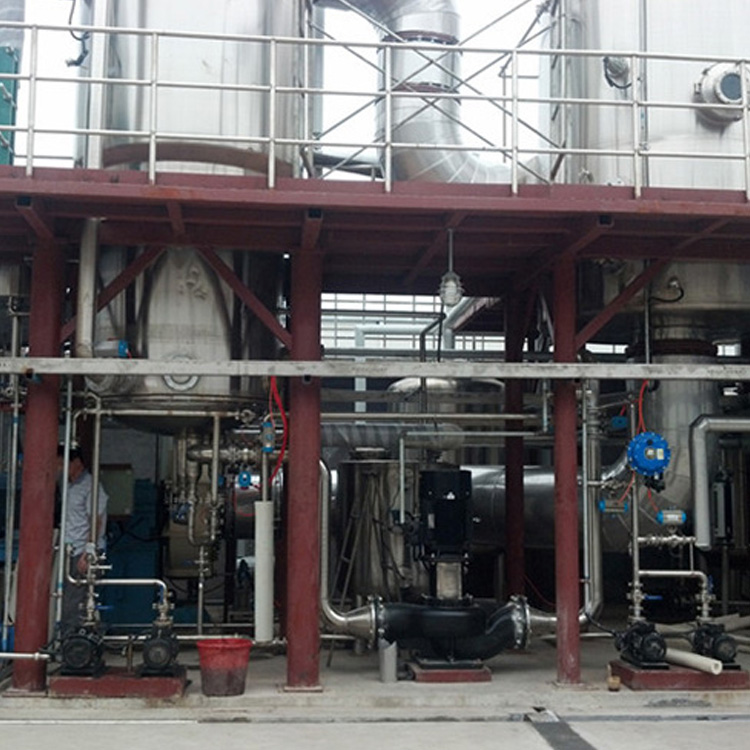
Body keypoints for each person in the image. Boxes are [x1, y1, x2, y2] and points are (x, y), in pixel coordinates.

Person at [56, 445, 108, 635]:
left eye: (61, 464)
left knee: (76, 602)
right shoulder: (66, 485)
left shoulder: (91, 486)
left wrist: (88, 552)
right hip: (69, 549)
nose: (59, 469)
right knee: (67, 599)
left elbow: (96, 521)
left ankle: (75, 642)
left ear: (76, 462)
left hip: (83, 551)